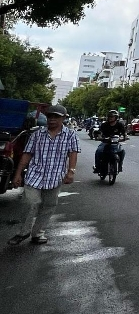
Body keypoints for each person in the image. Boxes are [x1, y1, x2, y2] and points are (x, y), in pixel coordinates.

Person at [9, 104, 79, 246]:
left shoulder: (70, 135)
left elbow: (73, 153)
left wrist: (71, 172)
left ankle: (38, 233)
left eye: (56, 116)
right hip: (34, 175)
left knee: (48, 206)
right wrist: (18, 174)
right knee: (30, 203)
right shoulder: (37, 134)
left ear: (63, 118)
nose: (52, 119)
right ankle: (23, 232)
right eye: (50, 116)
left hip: (55, 177)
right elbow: (27, 154)